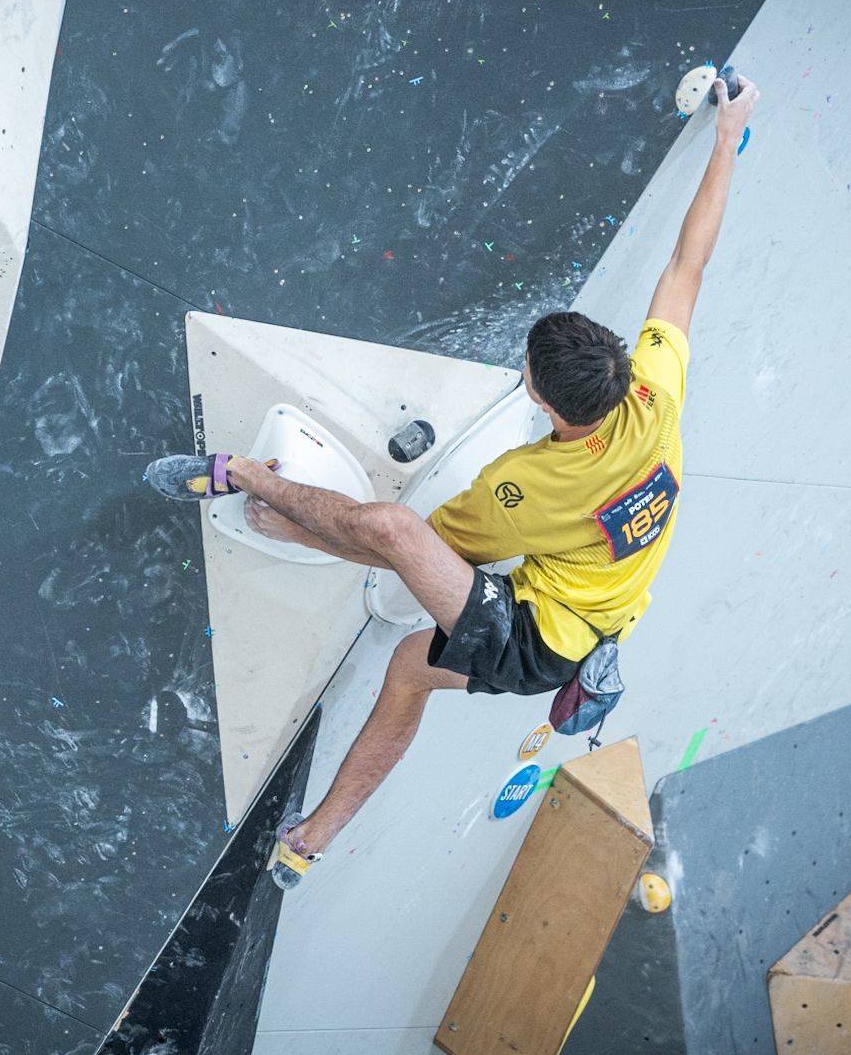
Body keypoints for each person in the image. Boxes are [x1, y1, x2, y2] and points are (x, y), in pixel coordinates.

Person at [147, 73, 759, 887]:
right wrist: (728, 137)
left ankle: (241, 472)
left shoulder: (527, 487)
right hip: (594, 616)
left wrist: (301, 522)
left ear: (542, 401)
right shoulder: (654, 395)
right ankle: (307, 844)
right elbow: (689, 266)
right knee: (409, 670)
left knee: (396, 531)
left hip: (536, 642)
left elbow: (406, 551)